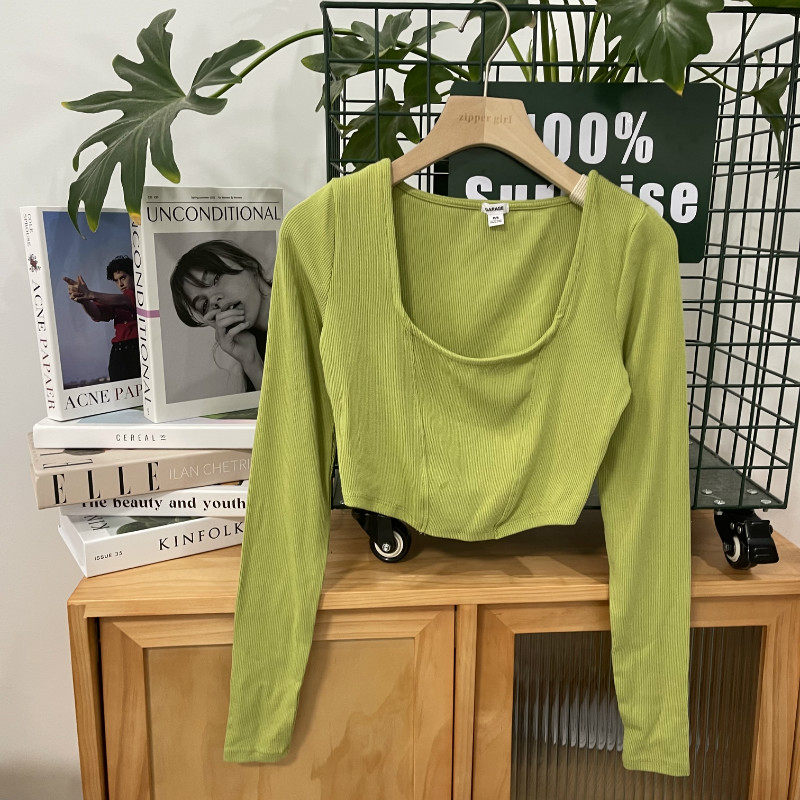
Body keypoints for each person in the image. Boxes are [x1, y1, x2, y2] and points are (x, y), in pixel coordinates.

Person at [169, 239, 272, 392]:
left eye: (215, 278)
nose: (213, 300)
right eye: (204, 305)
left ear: (248, 264)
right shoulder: (255, 354)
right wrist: (251, 362)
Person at [64, 255, 140, 381]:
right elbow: (97, 314)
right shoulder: (116, 301)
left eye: (123, 278)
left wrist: (90, 294)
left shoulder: (137, 296)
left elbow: (125, 299)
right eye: (116, 280)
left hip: (136, 351)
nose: (120, 284)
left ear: (133, 275)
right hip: (118, 354)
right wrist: (84, 300)